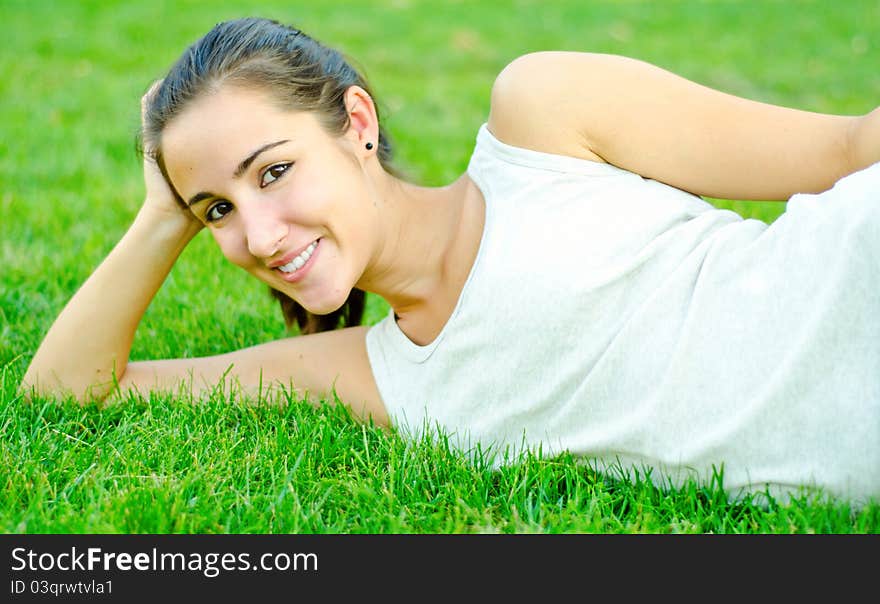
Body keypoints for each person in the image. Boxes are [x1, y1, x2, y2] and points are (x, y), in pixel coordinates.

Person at [20, 17, 879, 506]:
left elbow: (847, 150)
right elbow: (65, 393)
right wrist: (162, 212)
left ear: (356, 123)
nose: (262, 234)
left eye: (274, 171)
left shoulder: (543, 121)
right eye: (220, 210)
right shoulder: (372, 374)